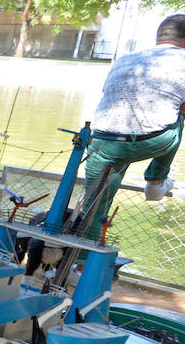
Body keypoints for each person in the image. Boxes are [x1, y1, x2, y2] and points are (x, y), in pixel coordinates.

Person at [79, 14, 185, 240]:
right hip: (152, 141)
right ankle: (155, 181)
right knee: (179, 114)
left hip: (102, 142)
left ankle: (81, 259)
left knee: (93, 209)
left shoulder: (125, 59)